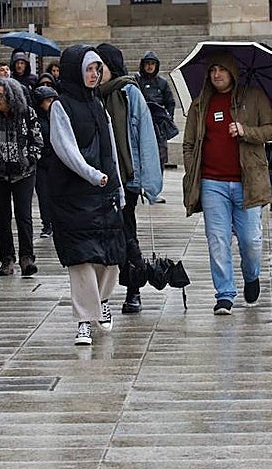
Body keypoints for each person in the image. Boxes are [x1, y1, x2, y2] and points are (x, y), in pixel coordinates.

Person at [181, 52, 272, 315]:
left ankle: (251, 275)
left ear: (232, 72)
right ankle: (224, 294)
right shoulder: (200, 104)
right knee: (217, 240)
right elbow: (189, 143)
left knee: (251, 241)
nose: (216, 75)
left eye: (222, 69)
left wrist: (246, 131)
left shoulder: (254, 97)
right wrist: (193, 170)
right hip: (212, 183)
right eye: (212, 70)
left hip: (248, 182)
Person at [45, 45, 126, 345]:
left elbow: (111, 148)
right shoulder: (60, 106)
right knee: (80, 259)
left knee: (110, 256)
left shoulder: (98, 105)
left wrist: (116, 185)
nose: (94, 74)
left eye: (97, 69)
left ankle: (102, 301)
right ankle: (83, 320)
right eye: (89, 69)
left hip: (104, 192)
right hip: (73, 194)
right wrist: (93, 175)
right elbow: (66, 149)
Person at [95, 43, 162, 315]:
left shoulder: (128, 92)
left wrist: (148, 181)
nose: (97, 72)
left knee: (125, 233)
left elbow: (144, 135)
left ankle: (133, 288)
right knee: (102, 238)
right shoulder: (90, 95)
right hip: (97, 178)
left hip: (125, 177)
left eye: (102, 66)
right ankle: (102, 294)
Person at [0, 76, 43, 277]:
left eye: (0, 96)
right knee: (2, 217)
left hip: (24, 173)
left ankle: (27, 257)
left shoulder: (27, 114)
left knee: (24, 215)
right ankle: (6, 259)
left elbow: (38, 141)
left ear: (11, 97)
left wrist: (29, 159)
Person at [137, 50, 176, 178]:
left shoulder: (162, 83)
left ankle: (156, 185)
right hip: (142, 123)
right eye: (147, 63)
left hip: (158, 125)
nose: (149, 66)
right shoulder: (137, 81)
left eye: (152, 63)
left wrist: (168, 118)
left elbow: (170, 102)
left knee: (160, 156)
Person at [32, 85, 59, 238]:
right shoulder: (35, 119)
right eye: (48, 101)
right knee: (43, 194)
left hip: (57, 161)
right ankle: (47, 224)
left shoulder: (58, 116)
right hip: (42, 162)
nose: (51, 103)